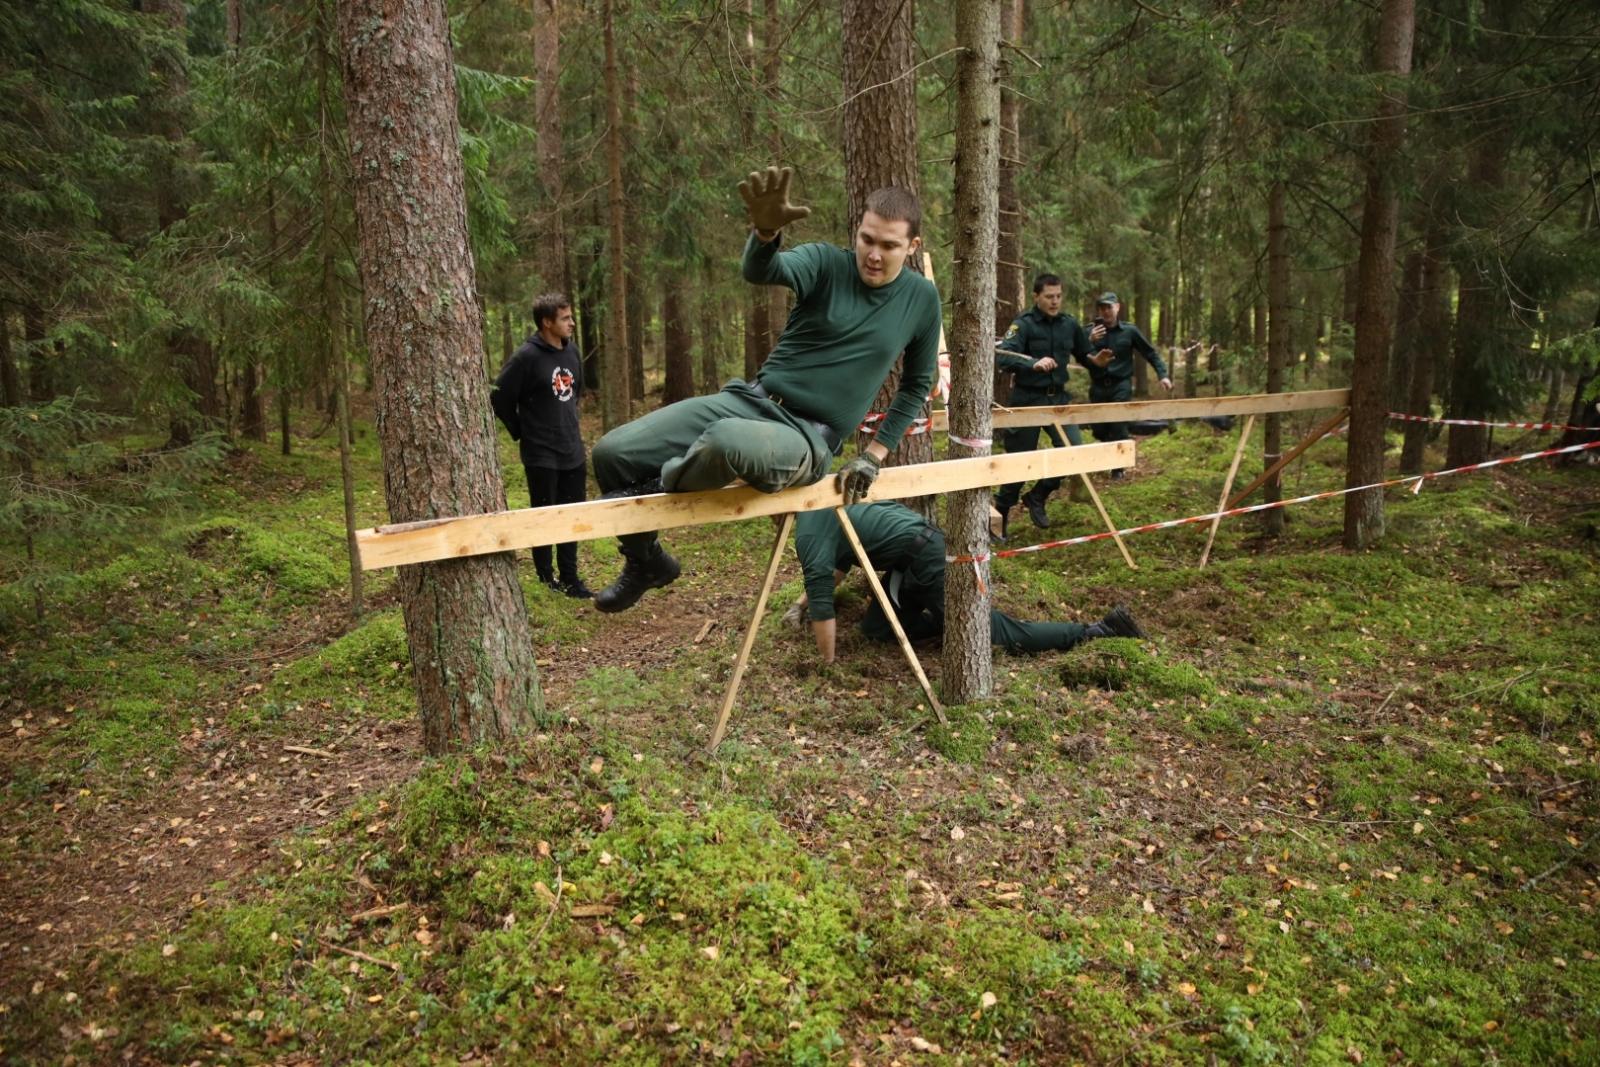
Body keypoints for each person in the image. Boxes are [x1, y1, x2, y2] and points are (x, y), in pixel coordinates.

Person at [587, 166, 942, 613]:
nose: (873, 254)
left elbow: (916, 386)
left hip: (806, 439)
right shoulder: (825, 262)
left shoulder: (921, 299)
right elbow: (762, 270)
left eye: (888, 246)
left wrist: (874, 456)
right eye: (867, 239)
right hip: (747, 400)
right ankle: (645, 561)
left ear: (911, 247)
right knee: (611, 452)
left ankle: (650, 489)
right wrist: (766, 231)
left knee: (725, 443)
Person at [784, 501, 1147, 662]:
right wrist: (796, 606)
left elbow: (822, 601)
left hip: (929, 557)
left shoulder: (809, 533)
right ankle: (949, 621)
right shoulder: (819, 509)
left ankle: (1095, 631)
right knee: (877, 629)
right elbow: (837, 568)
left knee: (990, 633)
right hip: (901, 567)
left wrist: (825, 665)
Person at [491, 293, 594, 598]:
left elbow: (575, 393)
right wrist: (521, 430)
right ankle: (546, 580)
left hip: (572, 448)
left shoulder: (572, 351)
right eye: (565, 318)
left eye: (571, 316)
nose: (572, 323)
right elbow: (499, 396)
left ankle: (572, 580)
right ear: (547, 322)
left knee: (572, 515)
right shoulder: (526, 357)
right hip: (541, 453)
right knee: (544, 515)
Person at [992, 273, 1092, 537]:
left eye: (1058, 296)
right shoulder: (1023, 324)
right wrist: (1031, 364)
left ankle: (1038, 495)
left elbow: (1085, 356)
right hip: (1028, 400)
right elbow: (1003, 357)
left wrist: (1100, 361)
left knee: (1072, 453)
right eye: (1049, 296)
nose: (1055, 301)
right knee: (1020, 463)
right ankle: (999, 517)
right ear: (1036, 296)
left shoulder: (1070, 324)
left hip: (1058, 400)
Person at [1078, 291, 1172, 479]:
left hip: (1120, 384)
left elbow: (1150, 353)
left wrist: (1163, 375)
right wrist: (1089, 342)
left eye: (1109, 307)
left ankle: (1118, 468)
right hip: (1097, 386)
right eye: (1102, 308)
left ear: (1117, 307)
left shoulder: (1130, 331)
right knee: (1099, 429)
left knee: (1119, 425)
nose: (1106, 312)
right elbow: (1079, 357)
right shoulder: (1089, 331)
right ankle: (1109, 449)